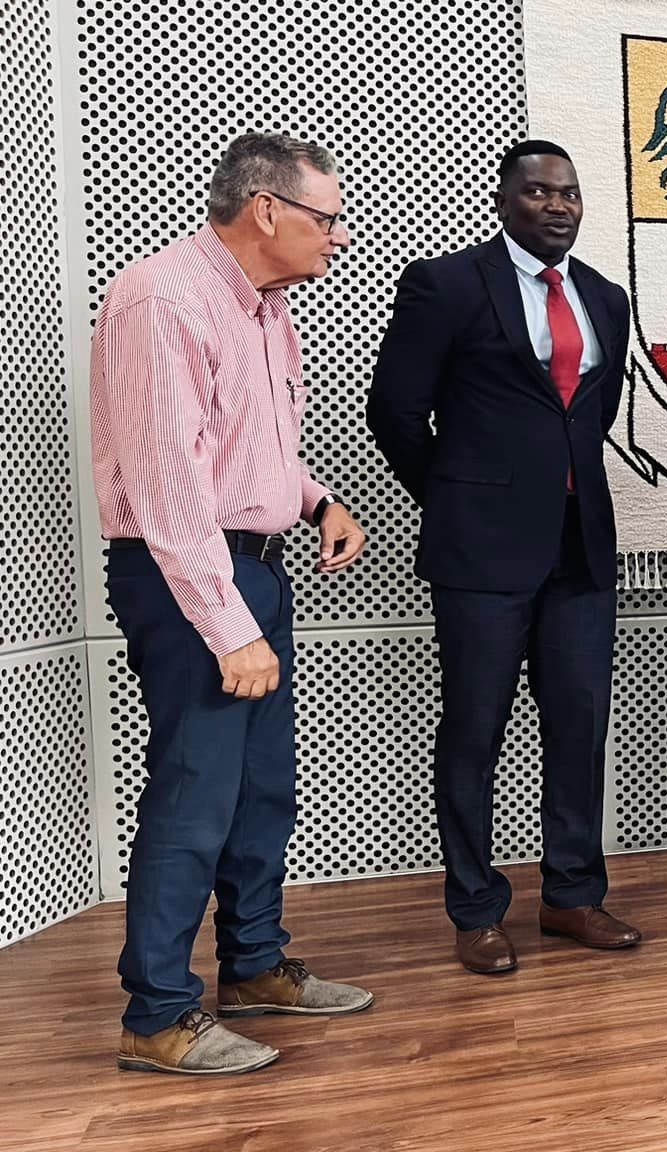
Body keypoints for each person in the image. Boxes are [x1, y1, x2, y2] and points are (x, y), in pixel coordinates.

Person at [93, 132, 373, 1075]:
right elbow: (169, 485)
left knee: (261, 788)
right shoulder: (163, 299)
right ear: (266, 210)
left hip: (250, 567)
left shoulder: (264, 307)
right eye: (327, 218)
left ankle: (253, 966)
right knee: (195, 791)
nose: (337, 235)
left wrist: (317, 501)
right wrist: (227, 627)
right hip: (187, 575)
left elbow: (247, 448)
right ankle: (158, 1014)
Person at [368, 140, 640, 974]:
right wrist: (457, 497)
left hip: (580, 546)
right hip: (481, 553)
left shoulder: (606, 297)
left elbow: (592, 414)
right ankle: (476, 909)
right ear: (503, 201)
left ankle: (572, 896)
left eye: (570, 193)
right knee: (475, 730)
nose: (558, 206)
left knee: (579, 726)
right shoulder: (446, 284)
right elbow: (395, 412)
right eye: (539, 193)